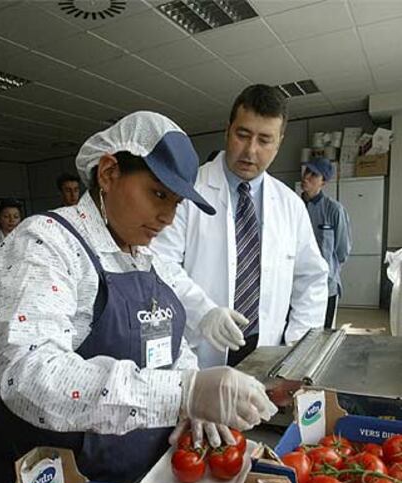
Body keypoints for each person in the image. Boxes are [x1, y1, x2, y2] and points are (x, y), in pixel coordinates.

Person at [0, 111, 276, 483]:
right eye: (158, 194)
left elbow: (168, 345)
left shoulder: (144, 255)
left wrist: (195, 386)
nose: (168, 217)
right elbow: (30, 375)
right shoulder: (45, 243)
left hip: (140, 477)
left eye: (175, 202)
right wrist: (182, 393)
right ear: (108, 173)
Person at [151, 85, 328, 369]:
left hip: (267, 347)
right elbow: (159, 262)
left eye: (264, 140)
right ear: (227, 130)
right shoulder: (187, 190)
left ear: (279, 142)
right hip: (200, 345)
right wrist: (204, 311)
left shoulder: (290, 205)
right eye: (242, 135)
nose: (250, 150)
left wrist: (297, 345)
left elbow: (311, 278)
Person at [301, 157, 352, 328]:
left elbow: (342, 251)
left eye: (314, 174)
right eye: (306, 171)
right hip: (297, 285)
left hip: (326, 286)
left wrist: (328, 270)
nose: (306, 176)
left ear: (324, 182)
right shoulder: (293, 207)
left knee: (324, 333)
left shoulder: (334, 210)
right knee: (296, 334)